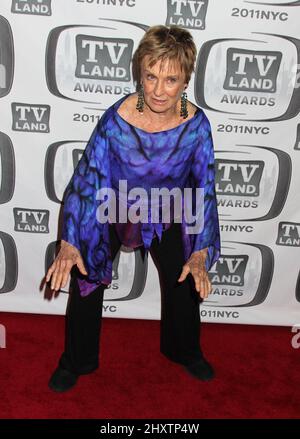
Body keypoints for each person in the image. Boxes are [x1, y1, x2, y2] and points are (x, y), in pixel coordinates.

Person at [46, 25, 221, 392]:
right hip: (114, 204)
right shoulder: (117, 120)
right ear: (139, 72)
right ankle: (76, 360)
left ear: (186, 79)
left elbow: (204, 188)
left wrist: (201, 249)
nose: (158, 90)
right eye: (150, 76)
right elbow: (87, 179)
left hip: (169, 208)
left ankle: (185, 350)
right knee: (86, 275)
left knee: (187, 274)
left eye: (170, 79)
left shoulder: (197, 126)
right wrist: (71, 240)